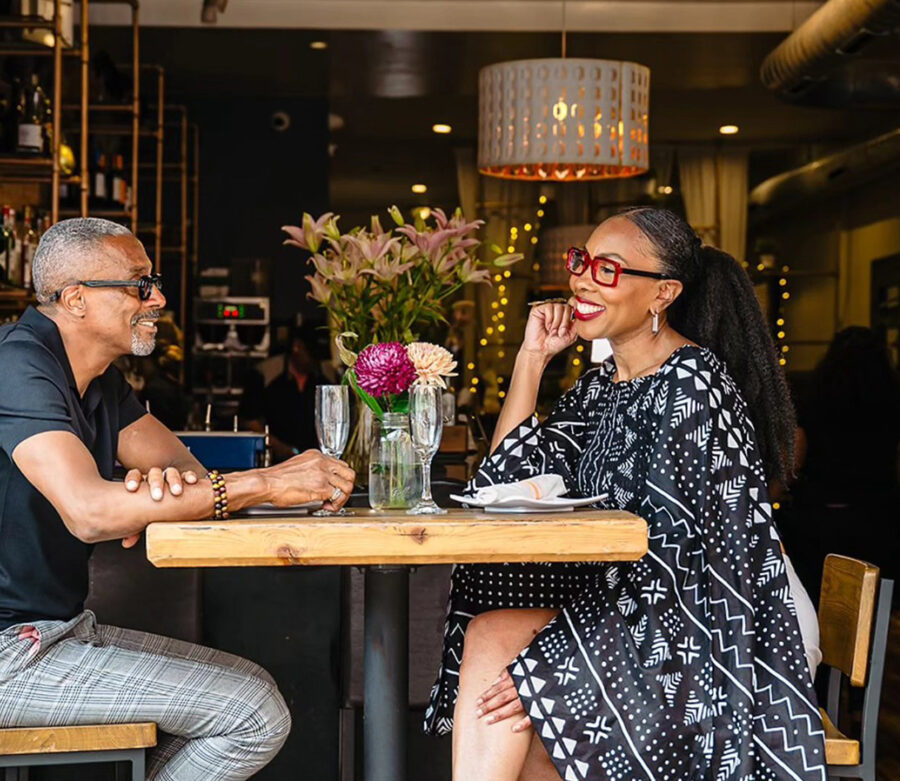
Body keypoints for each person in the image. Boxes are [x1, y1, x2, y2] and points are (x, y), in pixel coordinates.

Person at [0, 218, 355, 781]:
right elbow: (92, 513)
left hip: (52, 634)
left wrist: (152, 499)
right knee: (251, 714)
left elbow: (184, 473)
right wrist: (264, 483)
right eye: (139, 284)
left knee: (257, 692)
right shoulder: (17, 369)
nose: (160, 298)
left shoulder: (97, 380)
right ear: (75, 299)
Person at [423, 208, 825, 780]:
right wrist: (531, 360)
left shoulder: (693, 384)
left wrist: (554, 657)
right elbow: (506, 483)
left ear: (663, 293)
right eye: (582, 262)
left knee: (518, 675)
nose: (583, 280)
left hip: (708, 630)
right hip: (628, 607)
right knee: (508, 666)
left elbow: (684, 560)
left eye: (607, 269)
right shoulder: (600, 385)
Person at [785, 326, 900, 594]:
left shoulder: (813, 400)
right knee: (876, 601)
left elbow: (793, 463)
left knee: (817, 597)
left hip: (818, 521)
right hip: (877, 520)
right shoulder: (891, 403)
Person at [240, 326, 324, 461]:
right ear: (296, 347)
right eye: (310, 354)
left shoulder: (323, 376)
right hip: (273, 460)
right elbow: (249, 420)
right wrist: (281, 448)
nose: (313, 361)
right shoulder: (266, 373)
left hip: (316, 459)